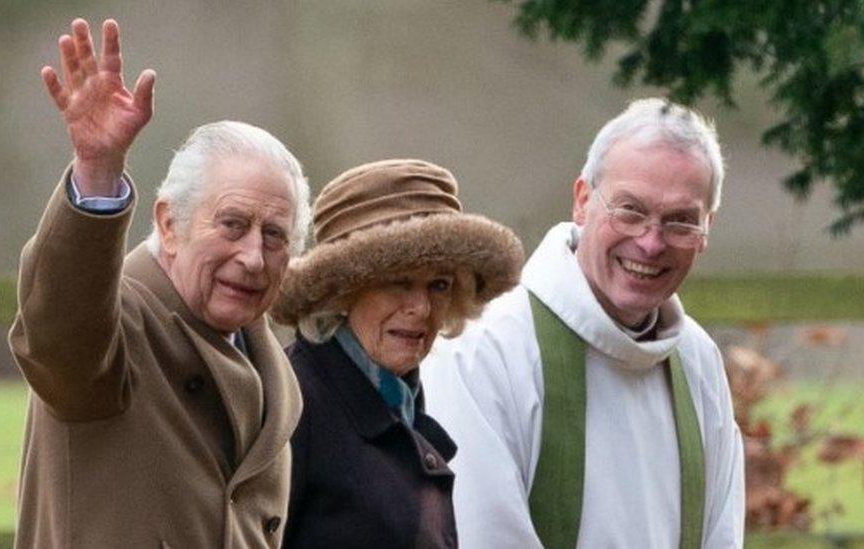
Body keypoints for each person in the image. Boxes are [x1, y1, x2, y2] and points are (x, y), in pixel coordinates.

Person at [8, 18, 311, 548]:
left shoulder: (268, 364)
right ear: (170, 224)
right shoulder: (116, 330)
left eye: (275, 236)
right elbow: (57, 328)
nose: (254, 258)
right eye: (233, 225)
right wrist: (97, 171)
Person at [421, 98, 746, 548]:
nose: (651, 243)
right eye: (631, 210)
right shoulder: (484, 347)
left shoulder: (698, 361)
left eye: (680, 222)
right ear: (583, 200)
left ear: (706, 229)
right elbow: (481, 536)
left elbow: (721, 537)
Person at [269, 159, 524, 548]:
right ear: (341, 291)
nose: (421, 308)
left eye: (439, 285)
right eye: (397, 282)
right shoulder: (293, 405)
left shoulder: (399, 400)